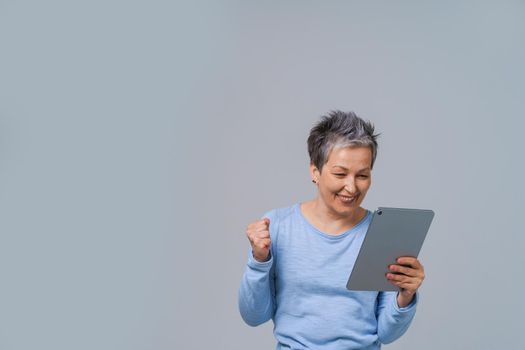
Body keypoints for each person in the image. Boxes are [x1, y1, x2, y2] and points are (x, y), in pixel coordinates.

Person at [238, 111, 426, 350]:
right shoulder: (277, 226)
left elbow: (387, 333)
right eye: (340, 173)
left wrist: (406, 295)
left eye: (362, 175)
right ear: (315, 171)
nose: (351, 187)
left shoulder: (383, 233)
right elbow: (253, 316)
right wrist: (258, 261)